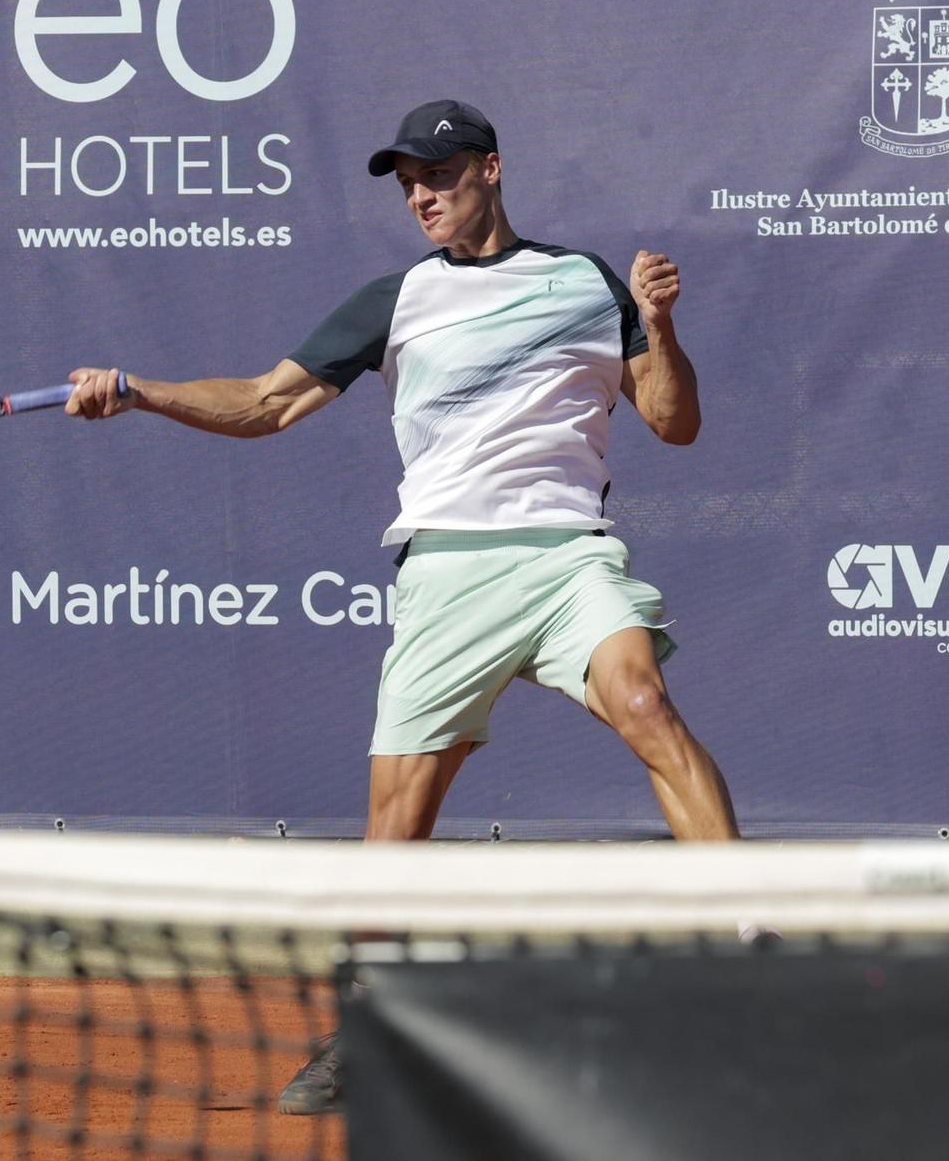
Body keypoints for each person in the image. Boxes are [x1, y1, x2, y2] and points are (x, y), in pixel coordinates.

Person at [64, 100, 743, 1115]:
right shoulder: (398, 300)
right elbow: (266, 403)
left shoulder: (585, 282)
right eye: (406, 182)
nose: (420, 194)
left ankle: (747, 941)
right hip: (445, 575)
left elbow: (671, 422)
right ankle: (365, 1028)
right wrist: (139, 390)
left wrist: (658, 327)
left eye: (437, 173)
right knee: (398, 820)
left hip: (565, 555)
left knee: (643, 702)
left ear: (490, 170)